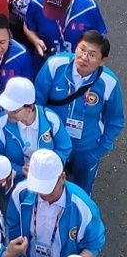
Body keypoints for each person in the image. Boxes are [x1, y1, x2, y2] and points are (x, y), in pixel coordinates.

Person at [34, 32, 124, 194]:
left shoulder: (109, 83)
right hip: (53, 141)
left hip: (86, 147)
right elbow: (37, 102)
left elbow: (115, 121)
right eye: (82, 49)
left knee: (81, 192)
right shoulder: (55, 65)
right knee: (47, 187)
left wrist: (98, 151)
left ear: (102, 61)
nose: (84, 57)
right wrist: (41, 134)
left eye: (92, 54)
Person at [6, 148, 105, 257]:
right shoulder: (21, 193)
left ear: (63, 178)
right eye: (39, 188)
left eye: (49, 188)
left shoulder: (84, 207)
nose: (43, 194)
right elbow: (12, 232)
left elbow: (94, 243)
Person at [0, 77, 72, 178]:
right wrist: (18, 170)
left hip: (46, 180)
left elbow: (64, 148)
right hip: (15, 186)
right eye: (6, 108)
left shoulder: (50, 119)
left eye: (14, 110)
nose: (8, 113)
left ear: (30, 107)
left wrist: (49, 167)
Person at [23, 0, 107, 63]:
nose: (54, 15)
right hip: (45, 62)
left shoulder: (89, 8)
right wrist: (36, 41)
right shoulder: (36, 2)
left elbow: (98, 41)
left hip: (78, 64)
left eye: (59, 10)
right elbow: (28, 26)